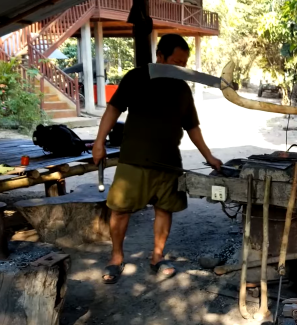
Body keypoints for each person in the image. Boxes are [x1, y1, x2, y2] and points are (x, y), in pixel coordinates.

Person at [92, 34, 222, 284]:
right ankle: (116, 257)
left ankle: (157, 256)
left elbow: (192, 126)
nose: (179, 68)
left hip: (169, 162)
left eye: (183, 64)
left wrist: (209, 156)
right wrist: (99, 142)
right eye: (175, 62)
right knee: (119, 210)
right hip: (134, 160)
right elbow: (113, 109)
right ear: (159, 56)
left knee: (165, 210)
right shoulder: (136, 77)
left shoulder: (182, 88)